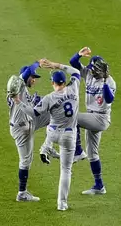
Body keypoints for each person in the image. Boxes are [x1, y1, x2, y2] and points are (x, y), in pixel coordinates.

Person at [14, 62, 80, 211]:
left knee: (49, 121)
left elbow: (33, 113)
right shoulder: (74, 87)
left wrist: (19, 102)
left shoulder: (49, 98)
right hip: (70, 135)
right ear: (65, 81)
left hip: (53, 133)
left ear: (52, 82)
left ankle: (47, 147)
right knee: (66, 170)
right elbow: (75, 72)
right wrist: (56, 65)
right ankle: (62, 204)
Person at [69, 47, 117, 195]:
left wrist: (104, 85)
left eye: (93, 68)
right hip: (91, 116)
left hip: (100, 118)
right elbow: (73, 63)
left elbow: (109, 99)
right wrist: (79, 54)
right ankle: (99, 186)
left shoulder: (110, 82)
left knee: (73, 117)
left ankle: (77, 151)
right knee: (93, 154)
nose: (91, 70)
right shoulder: (88, 73)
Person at [6, 61, 43, 202]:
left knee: (51, 111)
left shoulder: (21, 90)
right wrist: (38, 63)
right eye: (32, 77)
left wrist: (35, 102)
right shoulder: (19, 85)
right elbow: (27, 72)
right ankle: (22, 193)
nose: (34, 80)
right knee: (25, 161)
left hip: (25, 124)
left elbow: (28, 107)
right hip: (21, 129)